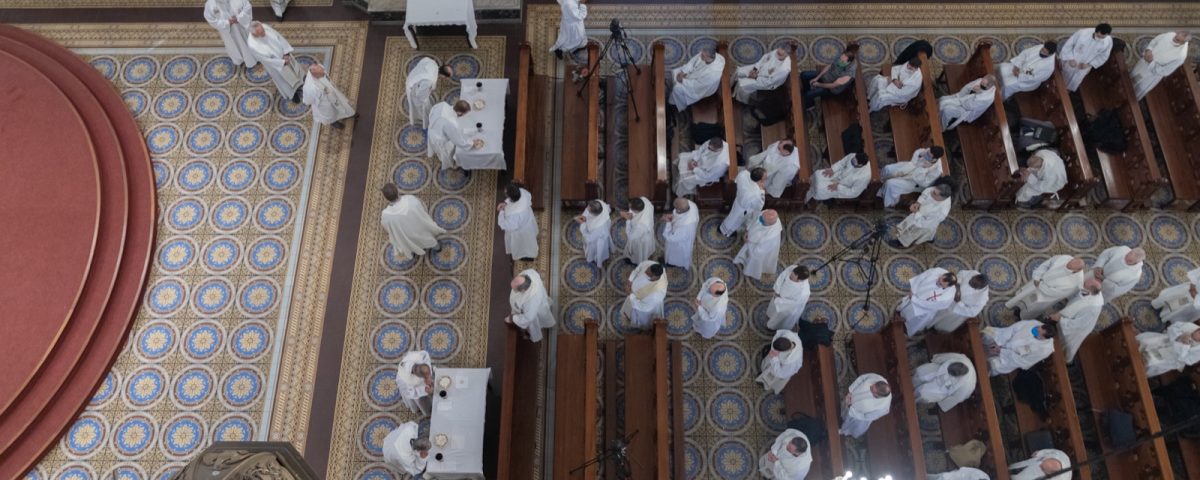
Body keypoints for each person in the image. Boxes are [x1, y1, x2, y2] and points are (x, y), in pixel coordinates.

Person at [1005, 255, 1085, 318]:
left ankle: (1021, 315)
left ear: (1077, 270)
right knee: (1023, 295)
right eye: (1070, 262)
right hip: (1038, 281)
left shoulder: (1075, 282)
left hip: (1045, 295)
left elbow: (1058, 293)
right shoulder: (1065, 258)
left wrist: (1041, 286)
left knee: (1030, 306)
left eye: (1070, 267)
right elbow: (1047, 264)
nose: (1067, 265)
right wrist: (1037, 276)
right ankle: (1015, 304)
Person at [379, 183, 445, 260]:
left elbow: (388, 228)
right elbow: (422, 209)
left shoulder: (386, 215)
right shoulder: (410, 200)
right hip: (420, 230)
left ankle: (414, 251)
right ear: (397, 191)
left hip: (406, 237)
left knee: (410, 244)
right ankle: (438, 248)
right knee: (429, 240)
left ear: (386, 198)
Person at [247, 22, 303, 102]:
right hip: (276, 65)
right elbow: (266, 60)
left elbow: (279, 37)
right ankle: (292, 94)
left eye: (263, 30)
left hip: (285, 54)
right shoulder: (253, 45)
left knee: (294, 70)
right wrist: (282, 62)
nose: (264, 33)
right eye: (261, 33)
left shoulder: (264, 27)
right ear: (254, 34)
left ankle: (300, 83)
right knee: (284, 80)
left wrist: (286, 52)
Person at [1051, 279, 1104, 362]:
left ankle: (1058, 359)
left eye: (1085, 285)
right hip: (1073, 317)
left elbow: (1078, 325)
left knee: (1062, 345)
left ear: (1090, 289)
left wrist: (1060, 319)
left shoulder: (1092, 308)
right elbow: (1080, 297)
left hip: (1074, 329)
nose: (1083, 284)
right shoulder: (1091, 291)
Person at [897, 267, 958, 336]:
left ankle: (906, 327)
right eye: (939, 279)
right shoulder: (937, 271)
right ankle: (900, 312)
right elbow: (921, 277)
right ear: (943, 275)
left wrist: (914, 300)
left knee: (913, 319)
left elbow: (929, 306)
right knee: (905, 307)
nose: (938, 283)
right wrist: (913, 290)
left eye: (941, 284)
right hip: (915, 294)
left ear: (947, 287)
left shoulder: (947, 297)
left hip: (923, 310)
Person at [983, 320, 1057, 375]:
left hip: (1009, 358)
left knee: (990, 366)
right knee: (986, 334)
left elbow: (1024, 362)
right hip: (1005, 338)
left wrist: (1002, 351)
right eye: (1038, 328)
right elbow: (1014, 328)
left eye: (1039, 332)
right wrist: (1000, 342)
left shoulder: (1044, 350)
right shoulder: (1036, 324)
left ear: (1044, 337)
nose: (1036, 330)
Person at [1132, 31, 1191, 100]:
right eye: (1176, 36)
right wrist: (1148, 50)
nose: (1173, 39)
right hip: (1144, 62)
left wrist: (1151, 62)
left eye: (1177, 40)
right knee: (1131, 75)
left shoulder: (1180, 56)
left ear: (1182, 43)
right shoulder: (1170, 34)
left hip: (1150, 75)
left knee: (1135, 90)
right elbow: (1155, 41)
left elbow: (1165, 71)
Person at [879, 146, 944, 208]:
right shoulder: (930, 151)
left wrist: (923, 169)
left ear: (935, 158)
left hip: (915, 182)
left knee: (890, 184)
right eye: (927, 153)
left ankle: (887, 202)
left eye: (929, 156)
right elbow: (918, 152)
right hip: (911, 167)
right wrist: (913, 162)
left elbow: (925, 184)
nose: (926, 155)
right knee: (888, 168)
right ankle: (881, 181)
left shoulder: (937, 170)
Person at [427, 100, 482, 170]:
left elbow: (432, 110)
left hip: (432, 128)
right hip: (440, 138)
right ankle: (450, 165)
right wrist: (471, 143)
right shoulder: (451, 123)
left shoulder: (443, 104)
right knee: (447, 152)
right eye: (464, 114)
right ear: (459, 113)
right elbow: (457, 141)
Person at [1059, 23, 1114, 92]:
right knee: (1063, 77)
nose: (1099, 39)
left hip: (1084, 66)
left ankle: (1066, 93)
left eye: (1102, 37)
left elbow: (1103, 56)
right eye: (1098, 36)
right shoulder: (1082, 33)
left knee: (1073, 83)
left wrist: (1089, 64)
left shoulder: (1108, 42)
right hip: (1071, 61)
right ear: (1096, 31)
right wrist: (1070, 58)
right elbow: (1069, 45)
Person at [204, 0, 257, 69]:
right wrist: (227, 22)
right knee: (233, 46)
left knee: (247, 43)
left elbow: (247, 7)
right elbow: (211, 19)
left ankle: (252, 59)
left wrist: (239, 18)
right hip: (228, 32)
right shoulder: (210, 4)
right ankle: (239, 60)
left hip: (242, 27)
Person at [302, 63, 356, 129]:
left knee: (342, 104)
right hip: (325, 104)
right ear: (314, 74)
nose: (324, 74)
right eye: (321, 74)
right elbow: (307, 101)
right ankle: (334, 122)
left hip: (334, 94)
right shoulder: (310, 88)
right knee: (331, 114)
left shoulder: (320, 68)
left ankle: (349, 114)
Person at [507, 270, 555, 342]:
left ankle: (530, 334)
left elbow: (528, 318)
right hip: (539, 299)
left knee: (533, 325)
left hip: (534, 312)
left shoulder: (531, 303)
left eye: (514, 289)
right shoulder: (529, 273)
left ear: (523, 290)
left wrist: (512, 318)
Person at [734, 209, 782, 280]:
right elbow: (755, 220)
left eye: (762, 220)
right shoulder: (764, 215)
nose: (760, 219)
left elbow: (760, 251)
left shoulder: (772, 236)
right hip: (751, 239)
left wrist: (749, 243)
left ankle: (749, 271)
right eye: (761, 217)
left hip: (756, 248)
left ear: (769, 224)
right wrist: (747, 231)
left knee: (752, 261)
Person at [405, 57, 455, 126]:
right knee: (423, 107)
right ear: (444, 76)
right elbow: (421, 96)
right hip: (413, 88)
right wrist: (425, 100)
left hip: (413, 77)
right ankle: (425, 119)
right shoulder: (429, 81)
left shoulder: (432, 62)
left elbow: (421, 63)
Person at [839, 373, 891, 438]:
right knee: (843, 409)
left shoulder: (883, 408)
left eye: (872, 390)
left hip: (856, 416)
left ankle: (843, 431)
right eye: (872, 385)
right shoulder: (878, 378)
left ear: (878, 396)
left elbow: (866, 417)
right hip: (850, 397)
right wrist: (850, 391)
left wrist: (851, 408)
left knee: (849, 423)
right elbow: (862, 378)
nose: (870, 387)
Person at [806, 152, 872, 202]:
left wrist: (838, 187)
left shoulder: (864, 176)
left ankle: (806, 197)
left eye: (854, 162)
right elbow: (842, 163)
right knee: (818, 174)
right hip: (838, 173)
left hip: (843, 187)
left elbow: (854, 192)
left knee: (819, 188)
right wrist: (833, 169)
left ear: (861, 165)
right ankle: (805, 185)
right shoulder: (853, 155)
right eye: (853, 160)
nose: (852, 162)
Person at [497, 184, 539, 262]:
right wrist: (506, 204)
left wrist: (502, 211)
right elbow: (522, 199)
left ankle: (526, 256)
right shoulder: (523, 192)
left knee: (522, 247)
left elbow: (505, 225)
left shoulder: (513, 214)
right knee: (530, 241)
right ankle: (530, 253)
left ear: (511, 197)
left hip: (520, 232)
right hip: (528, 223)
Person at [621, 261, 668, 330]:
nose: (644, 273)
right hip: (633, 294)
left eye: (647, 274)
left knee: (642, 319)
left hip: (643, 307)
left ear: (654, 277)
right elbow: (637, 270)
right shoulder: (649, 264)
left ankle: (641, 326)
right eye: (647, 270)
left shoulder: (656, 294)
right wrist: (629, 281)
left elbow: (643, 307)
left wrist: (630, 294)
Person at [720, 167, 766, 236]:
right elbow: (759, 206)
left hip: (737, 201)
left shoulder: (743, 174)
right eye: (765, 178)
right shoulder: (757, 193)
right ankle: (726, 233)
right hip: (743, 210)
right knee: (735, 222)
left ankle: (723, 228)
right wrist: (762, 190)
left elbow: (736, 181)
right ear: (760, 180)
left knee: (732, 216)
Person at [766, 265, 812, 331]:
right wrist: (777, 291)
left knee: (778, 318)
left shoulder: (803, 292)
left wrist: (778, 300)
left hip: (785, 307)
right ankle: (770, 314)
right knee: (773, 309)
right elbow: (782, 276)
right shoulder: (794, 268)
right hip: (778, 296)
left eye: (793, 276)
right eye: (792, 273)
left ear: (799, 279)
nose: (790, 275)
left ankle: (771, 327)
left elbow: (793, 304)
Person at [662, 198, 698, 270]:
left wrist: (668, 222)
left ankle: (671, 264)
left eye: (676, 209)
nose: (674, 211)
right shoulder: (691, 204)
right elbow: (678, 214)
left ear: (679, 210)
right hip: (682, 236)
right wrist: (672, 216)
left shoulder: (686, 226)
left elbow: (669, 237)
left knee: (674, 256)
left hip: (679, 244)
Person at [397, 350, 434, 414]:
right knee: (422, 401)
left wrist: (429, 376)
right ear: (418, 376)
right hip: (410, 386)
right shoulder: (405, 380)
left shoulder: (419, 357)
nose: (427, 378)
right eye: (425, 377)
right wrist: (425, 390)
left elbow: (426, 358)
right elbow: (411, 393)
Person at [576, 200, 612, 266]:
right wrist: (585, 218)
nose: (586, 209)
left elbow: (589, 238)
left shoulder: (598, 228)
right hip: (603, 229)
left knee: (594, 250)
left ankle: (593, 258)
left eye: (588, 210)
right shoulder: (599, 203)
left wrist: (583, 224)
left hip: (597, 241)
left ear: (594, 214)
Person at [622, 197, 656, 264]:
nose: (629, 210)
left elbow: (631, 236)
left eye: (630, 208)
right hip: (645, 230)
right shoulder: (644, 200)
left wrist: (628, 220)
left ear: (637, 211)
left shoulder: (641, 226)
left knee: (639, 253)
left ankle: (636, 262)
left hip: (640, 239)